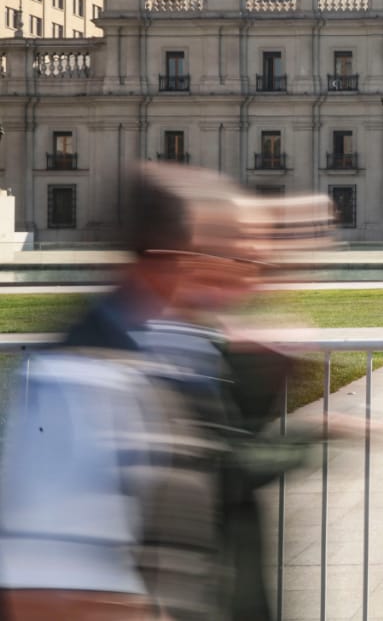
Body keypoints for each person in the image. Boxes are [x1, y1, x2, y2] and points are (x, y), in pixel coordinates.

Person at [0, 164, 330, 620]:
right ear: (172, 255)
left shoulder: (183, 353)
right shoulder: (81, 377)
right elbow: (48, 595)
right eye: (234, 253)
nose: (254, 270)